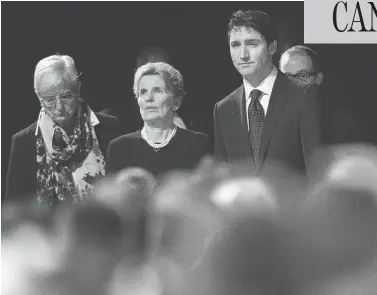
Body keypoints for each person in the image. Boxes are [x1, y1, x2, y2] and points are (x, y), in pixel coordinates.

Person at [213, 10, 321, 178]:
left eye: (252, 44)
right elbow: (222, 178)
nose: (243, 55)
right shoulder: (223, 108)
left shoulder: (303, 95)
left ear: (272, 47)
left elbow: (316, 171)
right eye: (235, 45)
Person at [5, 54, 120, 205]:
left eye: (66, 96)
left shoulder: (109, 128)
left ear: (78, 89)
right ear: (39, 97)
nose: (59, 107)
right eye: (49, 99)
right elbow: (14, 210)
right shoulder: (23, 142)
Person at [106, 62, 212, 177]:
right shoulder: (119, 148)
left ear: (176, 102)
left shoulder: (199, 144)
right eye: (143, 92)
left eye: (157, 91)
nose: (149, 98)